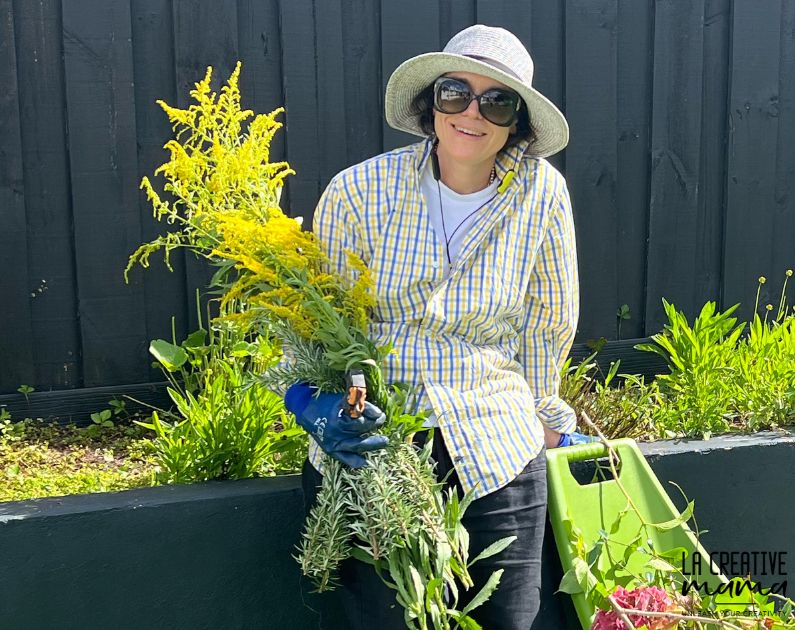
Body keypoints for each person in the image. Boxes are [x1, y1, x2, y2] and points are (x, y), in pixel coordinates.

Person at [285, 24, 588, 629]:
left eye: (496, 101)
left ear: (517, 125)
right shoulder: (357, 191)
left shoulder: (542, 195)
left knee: (506, 618)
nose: (472, 113)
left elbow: (548, 317)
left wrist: (546, 415)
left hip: (495, 442)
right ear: (431, 103)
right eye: (455, 92)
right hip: (374, 443)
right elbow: (312, 326)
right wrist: (309, 403)